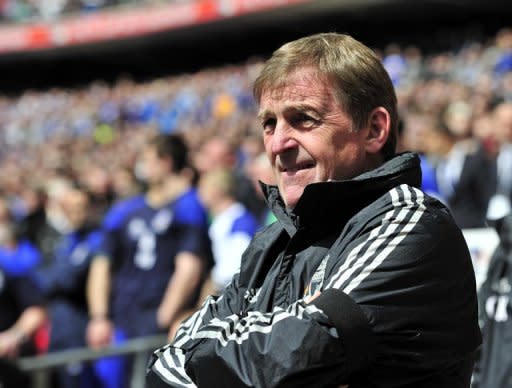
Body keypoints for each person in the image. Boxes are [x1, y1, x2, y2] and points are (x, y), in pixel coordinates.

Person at [146, 32, 481, 387]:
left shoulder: (412, 223)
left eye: (303, 118)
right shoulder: (271, 243)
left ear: (374, 129)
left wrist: (213, 345)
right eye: (269, 123)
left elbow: (294, 356)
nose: (278, 143)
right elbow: (166, 366)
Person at [87, 134, 212, 384]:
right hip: (121, 319)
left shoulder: (187, 206)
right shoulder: (124, 210)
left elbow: (190, 268)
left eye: (147, 159)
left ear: (165, 162)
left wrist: (164, 316)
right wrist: (99, 317)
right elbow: (101, 264)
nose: (142, 167)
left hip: (156, 322)